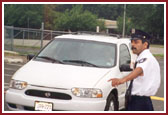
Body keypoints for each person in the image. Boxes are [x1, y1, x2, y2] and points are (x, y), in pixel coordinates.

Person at [108, 29, 161, 111]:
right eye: (132, 42)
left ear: (145, 44)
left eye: (136, 42)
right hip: (136, 101)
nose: (132, 45)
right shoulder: (140, 57)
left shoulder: (147, 58)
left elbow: (139, 70)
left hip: (140, 102)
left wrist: (122, 80)